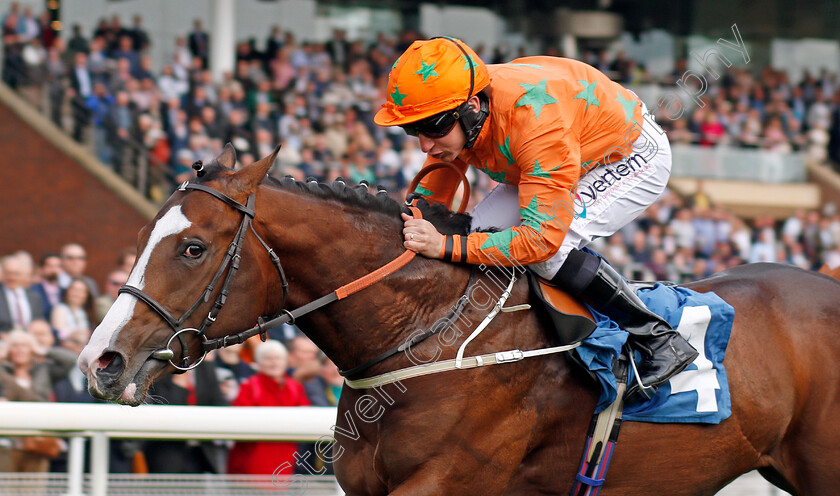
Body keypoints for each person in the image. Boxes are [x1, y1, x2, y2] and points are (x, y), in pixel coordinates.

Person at [375, 37, 697, 399]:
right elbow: (445, 160)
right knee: (481, 233)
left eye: (432, 128)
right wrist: (419, 213)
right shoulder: (464, 109)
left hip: (625, 154)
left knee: (547, 255)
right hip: (557, 150)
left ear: (472, 108)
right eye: (413, 130)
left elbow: (541, 240)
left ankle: (658, 339)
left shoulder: (535, 126)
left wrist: (443, 244)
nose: (423, 144)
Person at [227, 340, 310, 475]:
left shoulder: (295, 388)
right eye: (268, 359)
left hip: (285, 463)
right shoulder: (249, 387)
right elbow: (240, 424)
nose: (274, 363)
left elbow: (306, 419)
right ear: (258, 363)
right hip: (250, 463)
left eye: (278, 359)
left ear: (285, 362)